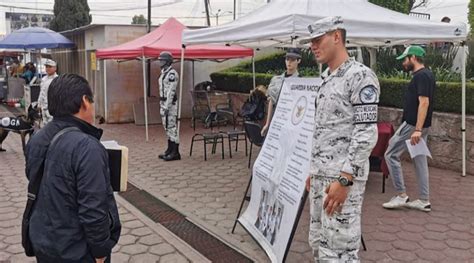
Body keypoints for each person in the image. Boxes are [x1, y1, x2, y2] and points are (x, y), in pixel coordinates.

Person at [300, 16, 380, 261]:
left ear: (336, 36)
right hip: (321, 177)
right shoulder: (327, 78)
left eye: (317, 39)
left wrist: (346, 179)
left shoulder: (361, 77)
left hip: (341, 178)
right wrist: (313, 171)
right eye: (310, 41)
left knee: (340, 250)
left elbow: (366, 133)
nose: (313, 46)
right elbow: (325, 129)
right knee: (319, 242)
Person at [24, 74, 121, 262]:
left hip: (44, 241)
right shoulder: (87, 147)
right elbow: (93, 208)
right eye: (91, 102)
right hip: (76, 250)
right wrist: (100, 252)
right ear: (85, 101)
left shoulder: (37, 138)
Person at [383, 45, 435, 212]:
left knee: (390, 154)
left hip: (413, 125)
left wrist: (417, 129)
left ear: (413, 58)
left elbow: (424, 102)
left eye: (405, 60)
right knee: (419, 160)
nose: (403, 63)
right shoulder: (427, 75)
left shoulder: (421, 76)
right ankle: (424, 200)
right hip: (420, 126)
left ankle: (401, 195)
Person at [261, 48, 301, 135]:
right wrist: (267, 124)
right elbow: (271, 101)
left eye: (293, 59)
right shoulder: (276, 79)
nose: (289, 62)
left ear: (298, 61)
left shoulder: (300, 83)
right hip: (275, 121)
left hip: (290, 123)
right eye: (287, 59)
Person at [157, 51, 181, 161]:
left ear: (167, 61)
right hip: (163, 103)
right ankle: (169, 149)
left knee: (171, 127)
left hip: (169, 104)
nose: (160, 61)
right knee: (166, 127)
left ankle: (175, 152)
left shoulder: (172, 74)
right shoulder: (163, 72)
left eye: (162, 60)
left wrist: (167, 106)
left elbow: (171, 91)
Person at [38, 59, 58, 126]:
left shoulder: (57, 79)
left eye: (50, 67)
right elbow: (41, 93)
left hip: (52, 109)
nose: (48, 68)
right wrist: (39, 104)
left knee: (52, 127)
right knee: (44, 126)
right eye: (46, 67)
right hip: (43, 108)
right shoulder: (44, 79)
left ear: (55, 68)